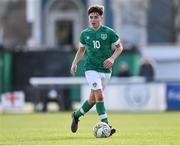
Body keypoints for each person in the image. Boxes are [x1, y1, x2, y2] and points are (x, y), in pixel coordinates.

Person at [70, 5, 123, 136]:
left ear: (101, 18)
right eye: (91, 17)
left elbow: (119, 47)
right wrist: (74, 63)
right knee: (99, 95)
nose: (93, 19)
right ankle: (106, 125)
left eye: (96, 17)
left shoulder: (109, 32)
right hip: (90, 68)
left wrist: (112, 58)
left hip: (105, 70)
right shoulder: (85, 34)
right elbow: (81, 50)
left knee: (93, 100)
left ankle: (76, 115)